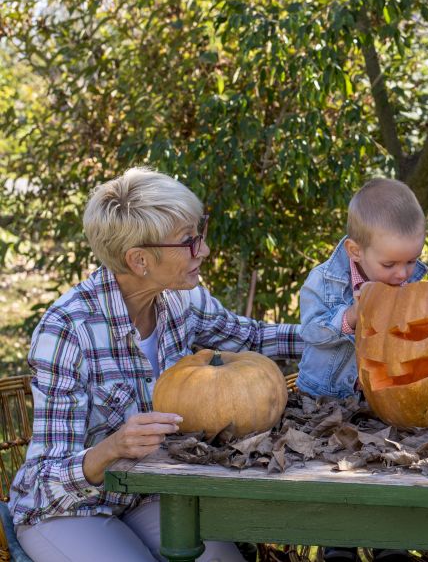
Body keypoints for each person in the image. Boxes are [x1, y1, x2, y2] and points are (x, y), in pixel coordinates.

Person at [9, 167, 304, 562]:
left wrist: (347, 330)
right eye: (188, 241)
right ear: (140, 260)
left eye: (199, 233)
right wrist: (111, 449)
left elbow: (251, 338)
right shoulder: (68, 331)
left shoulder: (181, 300)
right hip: (70, 510)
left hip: (146, 494)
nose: (203, 250)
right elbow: (42, 480)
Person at [297, 177, 427, 562]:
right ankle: (338, 545)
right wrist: (352, 316)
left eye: (411, 261)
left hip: (383, 403)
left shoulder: (408, 281)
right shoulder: (324, 281)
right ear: (355, 251)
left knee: (390, 467)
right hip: (326, 402)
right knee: (336, 473)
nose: (403, 273)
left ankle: (390, 544)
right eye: (391, 264)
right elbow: (311, 331)